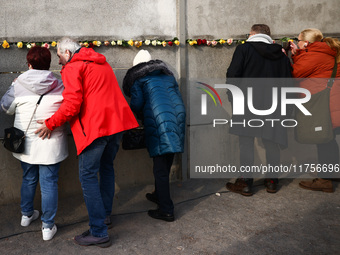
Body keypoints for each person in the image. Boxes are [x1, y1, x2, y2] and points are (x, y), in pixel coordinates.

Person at [35, 37, 138, 247]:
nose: (59, 62)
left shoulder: (73, 67)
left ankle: (99, 231)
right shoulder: (101, 62)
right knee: (107, 169)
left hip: (95, 130)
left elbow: (72, 104)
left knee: (88, 176)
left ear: (66, 52)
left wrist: (50, 123)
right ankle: (105, 216)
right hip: (115, 126)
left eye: (59, 56)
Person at [0, 46, 68, 241]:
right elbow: (69, 109)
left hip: (25, 143)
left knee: (28, 177)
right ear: (48, 64)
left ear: (29, 64)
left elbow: (5, 108)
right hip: (52, 143)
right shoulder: (60, 83)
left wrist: (12, 87)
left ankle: (26, 215)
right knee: (49, 183)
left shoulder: (18, 84)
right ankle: (47, 227)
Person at [225, 24, 292, 196]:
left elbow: (233, 74)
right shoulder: (281, 55)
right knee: (271, 141)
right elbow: (288, 82)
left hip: (247, 104)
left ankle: (246, 182)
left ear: (252, 34)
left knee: (246, 142)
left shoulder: (244, 49)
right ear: (269, 35)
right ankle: (271, 181)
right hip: (274, 105)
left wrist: (233, 98)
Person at [123, 50, 186, 222]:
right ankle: (159, 194)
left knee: (159, 168)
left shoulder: (139, 79)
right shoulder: (168, 76)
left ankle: (166, 209)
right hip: (177, 119)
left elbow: (136, 104)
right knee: (167, 161)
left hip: (159, 121)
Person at [290, 28, 340, 192]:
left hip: (321, 104)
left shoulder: (313, 55)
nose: (297, 43)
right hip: (331, 102)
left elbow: (295, 74)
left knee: (323, 140)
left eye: (298, 40)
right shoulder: (326, 52)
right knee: (329, 139)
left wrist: (295, 54)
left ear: (306, 42)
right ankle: (331, 173)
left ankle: (325, 180)